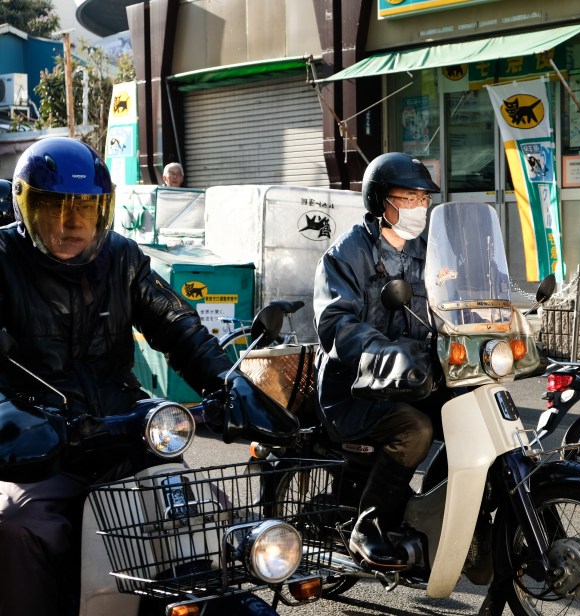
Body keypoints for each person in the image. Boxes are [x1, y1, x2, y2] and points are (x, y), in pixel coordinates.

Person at [0, 137, 284, 615]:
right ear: (28, 209)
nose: (72, 224)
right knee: (18, 528)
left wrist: (234, 388)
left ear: (104, 211)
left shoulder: (122, 258)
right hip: (43, 448)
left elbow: (180, 328)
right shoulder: (4, 258)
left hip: (122, 432)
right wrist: (14, 420)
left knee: (207, 510)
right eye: (56, 209)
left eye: (85, 209)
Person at [313, 152, 442, 569]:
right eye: (408, 198)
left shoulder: (428, 251)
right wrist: (384, 352)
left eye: (423, 199)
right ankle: (367, 528)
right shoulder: (347, 252)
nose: (418, 208)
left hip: (415, 378)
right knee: (416, 429)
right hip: (354, 388)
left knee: (471, 414)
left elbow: (451, 301)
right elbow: (336, 323)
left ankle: (439, 518)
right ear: (381, 201)